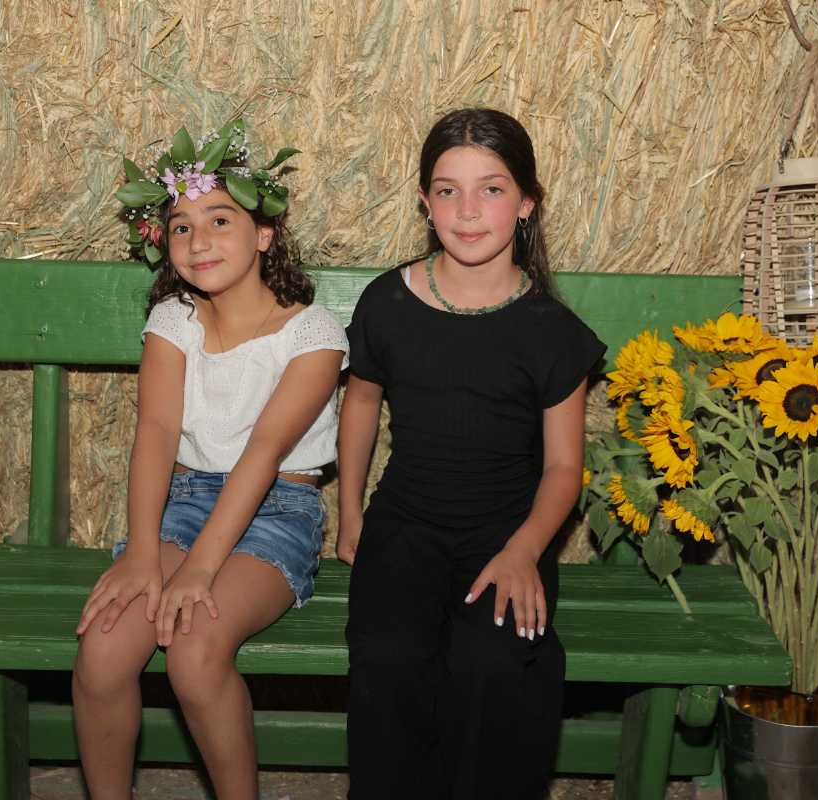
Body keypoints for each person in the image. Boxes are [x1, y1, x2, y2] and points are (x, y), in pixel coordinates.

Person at [72, 120, 348, 800]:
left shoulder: (312, 335)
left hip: (277, 509)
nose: (199, 241)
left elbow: (264, 450)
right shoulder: (174, 321)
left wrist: (197, 569)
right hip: (186, 502)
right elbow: (157, 430)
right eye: (182, 227)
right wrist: (144, 553)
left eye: (220, 220)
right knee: (103, 649)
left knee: (194, 654)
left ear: (265, 234)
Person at [339, 108, 605, 800]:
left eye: (491, 189)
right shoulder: (387, 302)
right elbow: (361, 402)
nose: (467, 210)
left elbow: (563, 468)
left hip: (508, 532)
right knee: (388, 661)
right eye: (447, 190)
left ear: (526, 204)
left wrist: (524, 552)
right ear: (424, 204)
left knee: (494, 667)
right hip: (406, 522)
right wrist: (350, 512)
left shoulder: (552, 331)